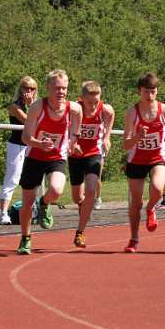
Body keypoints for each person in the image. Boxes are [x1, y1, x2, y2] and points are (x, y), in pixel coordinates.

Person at [15, 70, 82, 254]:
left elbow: (79, 114)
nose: (61, 92)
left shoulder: (73, 108)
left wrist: (74, 139)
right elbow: (25, 137)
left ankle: (44, 203)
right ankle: (25, 238)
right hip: (35, 156)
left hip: (56, 156)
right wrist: (39, 143)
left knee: (56, 190)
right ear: (48, 88)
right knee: (27, 202)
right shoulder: (37, 107)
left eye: (64, 88)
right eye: (57, 88)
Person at [123, 73, 165, 253]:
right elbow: (125, 144)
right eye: (146, 91)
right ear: (140, 91)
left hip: (157, 159)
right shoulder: (132, 113)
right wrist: (138, 137)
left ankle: (151, 208)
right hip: (136, 160)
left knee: (158, 189)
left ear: (157, 91)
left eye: (153, 91)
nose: (150, 95)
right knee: (136, 203)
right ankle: (134, 239)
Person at [67, 81, 115, 248]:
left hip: (93, 154)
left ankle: (80, 232)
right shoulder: (75, 109)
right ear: (81, 99)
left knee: (91, 189)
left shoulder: (104, 109)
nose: (93, 106)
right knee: (76, 197)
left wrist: (107, 137)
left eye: (96, 102)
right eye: (89, 103)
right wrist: (71, 143)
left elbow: (111, 114)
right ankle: (82, 205)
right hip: (75, 154)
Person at [0, 76, 37, 225]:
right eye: (26, 88)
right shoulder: (15, 106)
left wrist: (32, 105)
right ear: (20, 89)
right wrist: (30, 105)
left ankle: (35, 210)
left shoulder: (37, 105)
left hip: (32, 145)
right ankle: (3, 214)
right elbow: (29, 121)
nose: (29, 91)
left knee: (34, 179)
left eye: (32, 88)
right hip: (17, 145)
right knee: (13, 178)